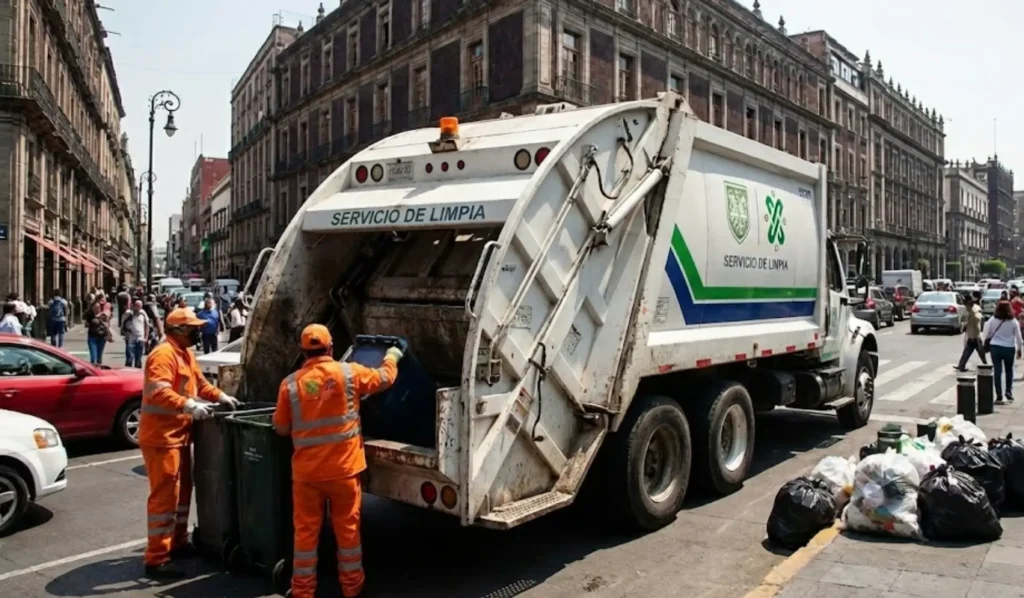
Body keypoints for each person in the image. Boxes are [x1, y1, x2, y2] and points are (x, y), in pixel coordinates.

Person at [272, 325, 403, 598]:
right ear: (331, 348)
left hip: (307, 475)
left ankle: (303, 591)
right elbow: (384, 379)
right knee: (348, 530)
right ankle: (352, 588)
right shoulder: (349, 373)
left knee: (306, 534)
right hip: (343, 470)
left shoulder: (290, 385)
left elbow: (282, 428)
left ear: (303, 351)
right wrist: (392, 355)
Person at [139, 307, 240, 579]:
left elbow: (201, 384)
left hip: (179, 435)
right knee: (165, 497)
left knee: (183, 493)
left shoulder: (184, 354)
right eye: (194, 328)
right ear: (179, 330)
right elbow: (159, 393)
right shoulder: (163, 355)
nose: (199, 332)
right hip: (162, 438)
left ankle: (178, 543)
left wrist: (220, 396)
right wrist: (188, 405)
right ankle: (156, 558)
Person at [982, 300, 1023, 404]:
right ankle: (1008, 392)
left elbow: (986, 332)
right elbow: (1018, 337)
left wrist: (985, 342)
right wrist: (1019, 349)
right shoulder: (1013, 321)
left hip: (995, 347)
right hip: (1009, 348)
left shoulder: (993, 320)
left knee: (997, 371)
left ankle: (999, 395)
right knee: (1009, 371)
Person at [956, 294, 987, 372]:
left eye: (967, 305)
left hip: (974, 335)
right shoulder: (974, 309)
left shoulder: (972, 312)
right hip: (974, 334)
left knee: (975, 351)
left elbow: (974, 323)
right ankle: (961, 365)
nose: (966, 307)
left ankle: (985, 365)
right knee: (972, 350)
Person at [121, 300, 150, 368]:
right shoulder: (129, 313)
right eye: (137, 306)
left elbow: (147, 325)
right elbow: (123, 324)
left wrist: (146, 337)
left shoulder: (143, 313)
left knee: (138, 358)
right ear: (134, 306)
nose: (138, 308)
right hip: (131, 338)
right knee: (130, 358)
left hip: (140, 338)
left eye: (139, 307)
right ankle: (128, 372)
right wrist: (125, 334)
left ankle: (137, 373)